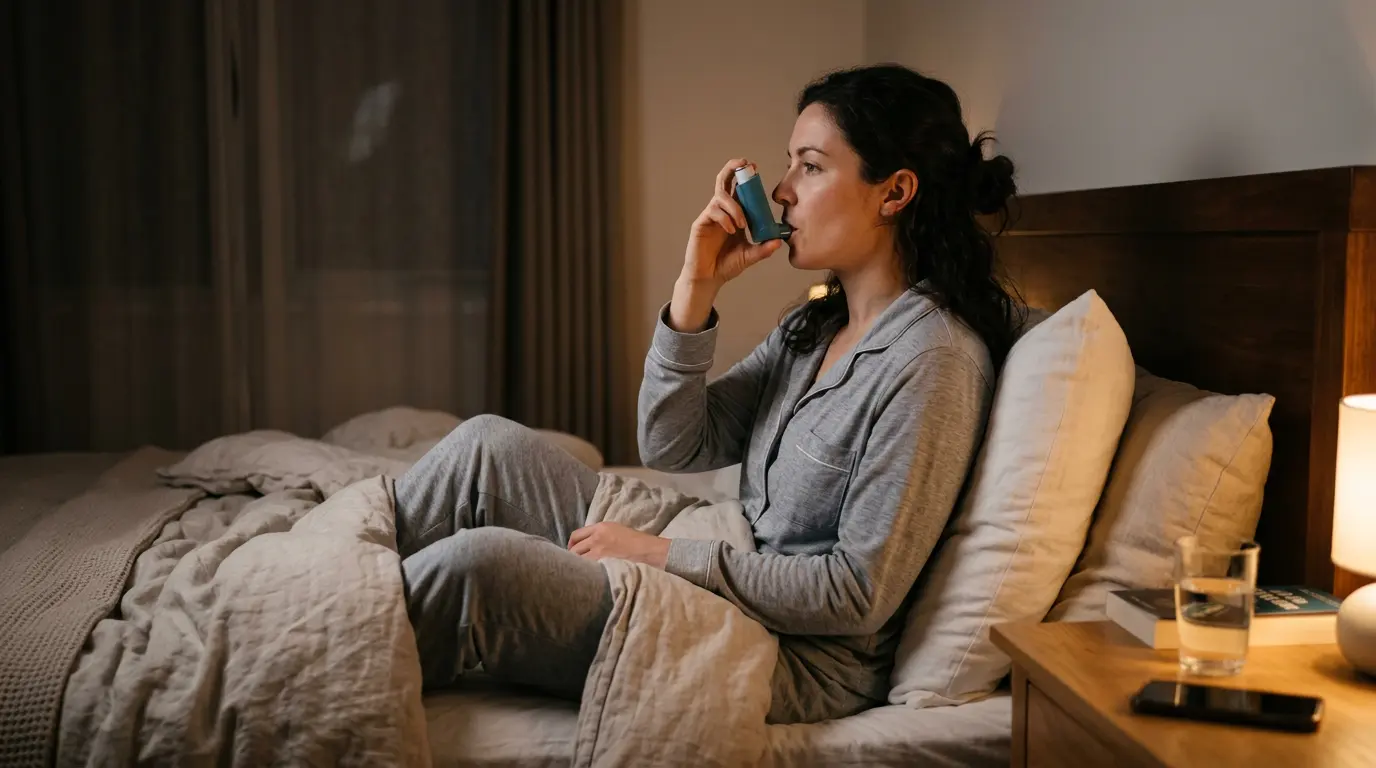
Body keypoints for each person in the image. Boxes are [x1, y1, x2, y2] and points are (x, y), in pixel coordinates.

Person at [394, 63, 1023, 725]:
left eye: (810, 166)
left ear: (894, 192)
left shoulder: (933, 362)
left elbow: (855, 593)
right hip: (732, 562)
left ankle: (316, 642)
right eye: (789, 166)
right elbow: (673, 442)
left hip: (789, 652)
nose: (781, 191)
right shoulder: (813, 329)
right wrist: (696, 289)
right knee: (484, 446)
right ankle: (325, 583)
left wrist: (660, 556)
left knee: (479, 568)